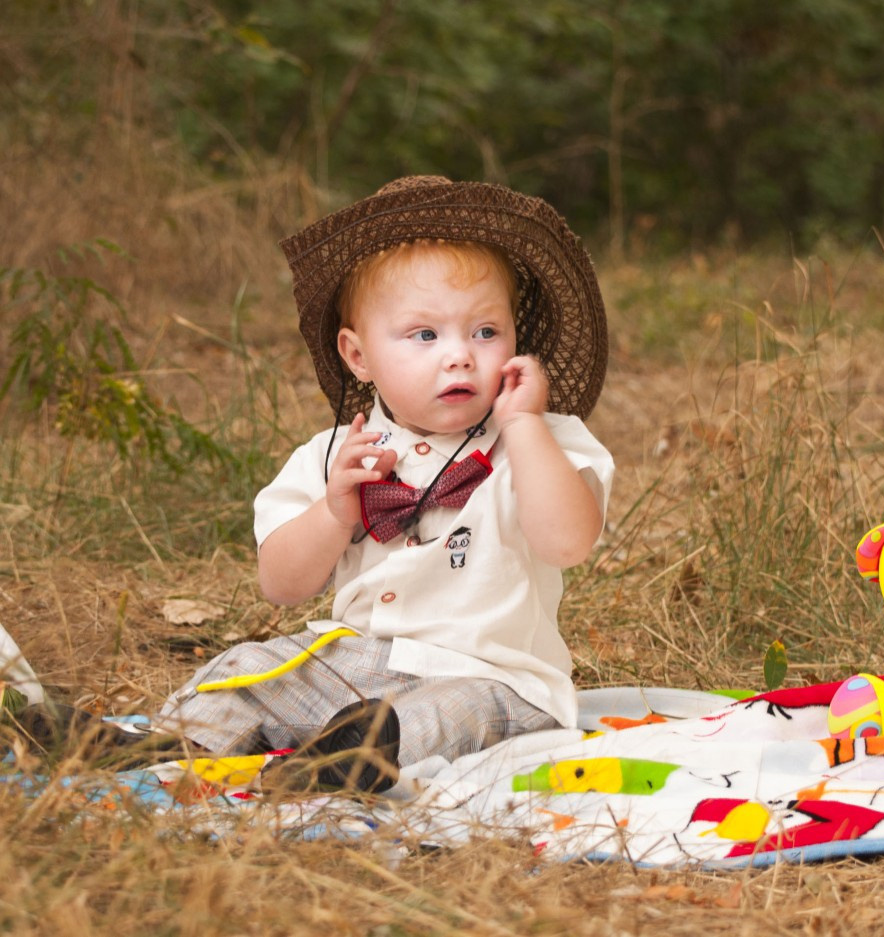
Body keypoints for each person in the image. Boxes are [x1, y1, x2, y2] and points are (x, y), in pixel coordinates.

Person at [152, 175, 614, 792]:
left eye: (485, 332)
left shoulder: (540, 440)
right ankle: (167, 744)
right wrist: (334, 512)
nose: (459, 356)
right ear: (358, 356)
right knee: (244, 668)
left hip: (492, 675)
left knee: (436, 719)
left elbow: (567, 544)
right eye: (425, 335)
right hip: (354, 664)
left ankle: (337, 766)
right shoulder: (336, 454)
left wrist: (524, 426)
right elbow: (281, 586)